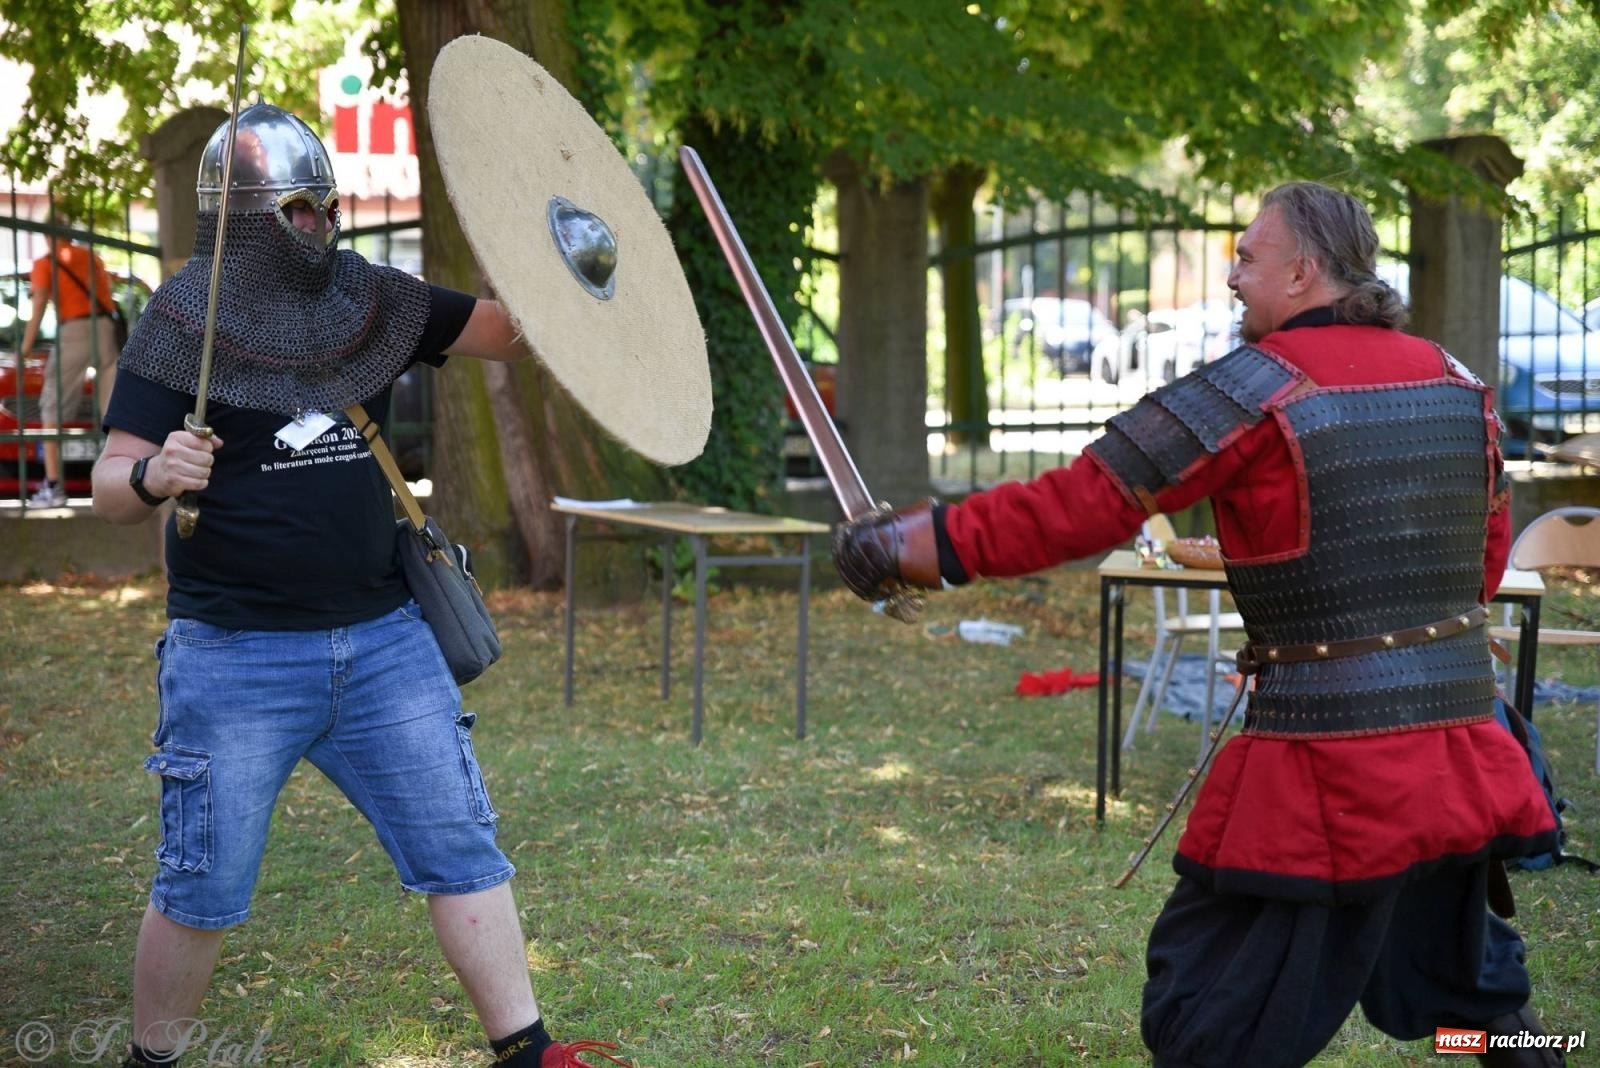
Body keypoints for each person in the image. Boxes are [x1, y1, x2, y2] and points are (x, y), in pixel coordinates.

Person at [833, 182, 1567, 1068]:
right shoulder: (1456, 382)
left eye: (1249, 257)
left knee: (1211, 1019)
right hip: (1455, 744)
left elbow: (1085, 505)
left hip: (1330, 768)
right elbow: (1481, 568)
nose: (1232, 277)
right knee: (1471, 1001)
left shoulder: (1254, 390)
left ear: (1302, 271)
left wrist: (929, 544)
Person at [92, 103, 631, 1068]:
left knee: (463, 851)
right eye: (298, 209)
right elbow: (107, 487)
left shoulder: (372, 299)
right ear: (245, 220)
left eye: (322, 206)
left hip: (386, 644)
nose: (319, 225)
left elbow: (513, 335)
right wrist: (153, 473)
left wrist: (574, 251)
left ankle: (528, 1052)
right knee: (200, 885)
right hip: (235, 656)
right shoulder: (183, 320)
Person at [21, 220, 120, 507]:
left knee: (52, 404)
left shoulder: (46, 263)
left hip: (74, 330)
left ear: (48, 237)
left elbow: (39, 304)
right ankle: (116, 479)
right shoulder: (92, 258)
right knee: (111, 405)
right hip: (105, 329)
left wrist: (26, 349)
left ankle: (53, 486)